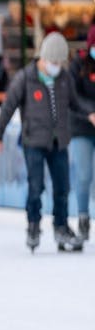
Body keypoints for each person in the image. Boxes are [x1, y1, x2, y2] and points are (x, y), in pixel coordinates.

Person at [0, 32, 95, 253]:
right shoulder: (25, 78)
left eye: (60, 62)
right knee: (36, 187)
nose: (57, 66)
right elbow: (8, 107)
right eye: (54, 62)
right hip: (34, 141)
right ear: (43, 58)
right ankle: (34, 224)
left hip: (59, 142)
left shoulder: (64, 78)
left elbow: (75, 104)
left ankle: (61, 226)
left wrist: (90, 113)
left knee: (62, 188)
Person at [71, 23, 95, 241]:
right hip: (81, 127)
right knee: (84, 174)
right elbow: (73, 96)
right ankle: (83, 216)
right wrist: (90, 113)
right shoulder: (78, 65)